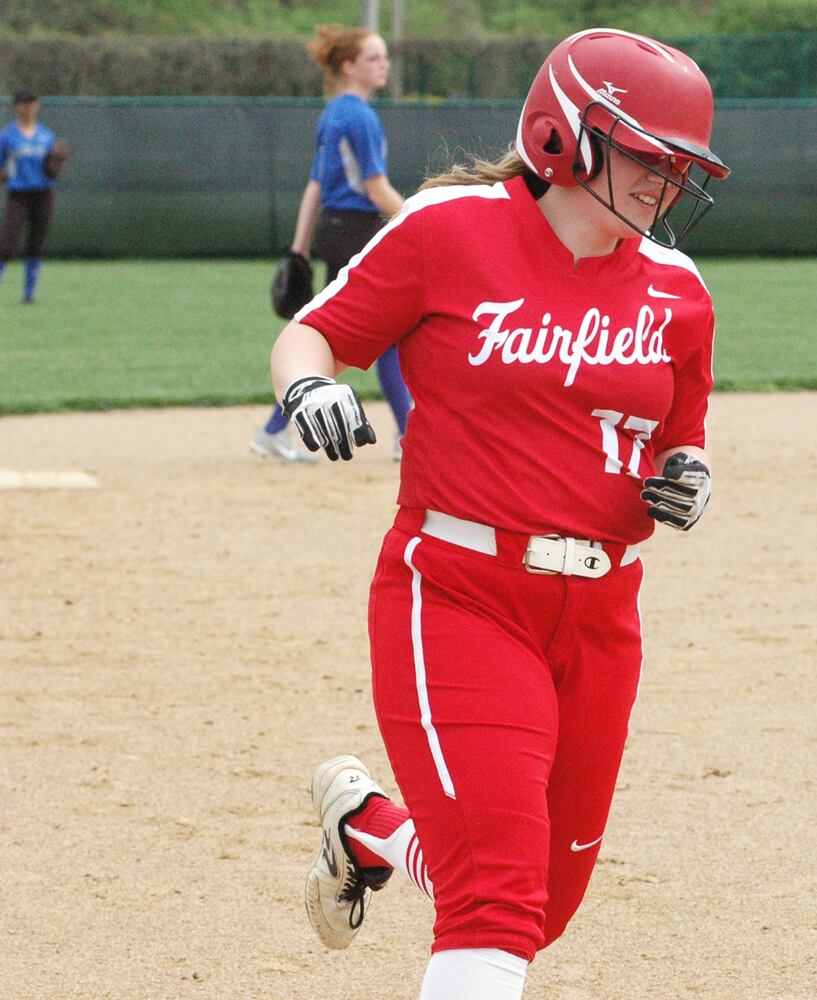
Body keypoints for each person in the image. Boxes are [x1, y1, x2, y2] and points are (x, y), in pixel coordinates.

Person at [271, 27, 730, 1000]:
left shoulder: (677, 290)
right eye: (647, 152)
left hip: (601, 618)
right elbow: (314, 335)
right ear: (567, 134)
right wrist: (309, 390)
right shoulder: (450, 232)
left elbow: (679, 432)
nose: (665, 180)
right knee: (495, 902)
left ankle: (369, 827)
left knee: (542, 906)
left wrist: (687, 473)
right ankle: (394, 838)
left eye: (678, 163)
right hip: (458, 594)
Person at [251, 24, 411, 464]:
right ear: (349, 66)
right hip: (357, 229)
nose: (384, 65)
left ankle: (273, 429)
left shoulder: (334, 113)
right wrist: (422, 220)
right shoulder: (358, 115)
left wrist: (301, 246)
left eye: (384, 57)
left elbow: (316, 186)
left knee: (342, 332)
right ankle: (409, 435)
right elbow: (376, 188)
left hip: (338, 230)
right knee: (376, 333)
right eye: (374, 58)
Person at [0, 91, 69, 304]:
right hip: (19, 193)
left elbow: (54, 167)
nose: (28, 107)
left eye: (31, 103)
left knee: (36, 243)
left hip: (43, 193)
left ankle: (29, 295)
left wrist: (57, 166)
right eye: (23, 103)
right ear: (16, 107)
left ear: (37, 106)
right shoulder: (7, 136)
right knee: (7, 244)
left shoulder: (46, 136)